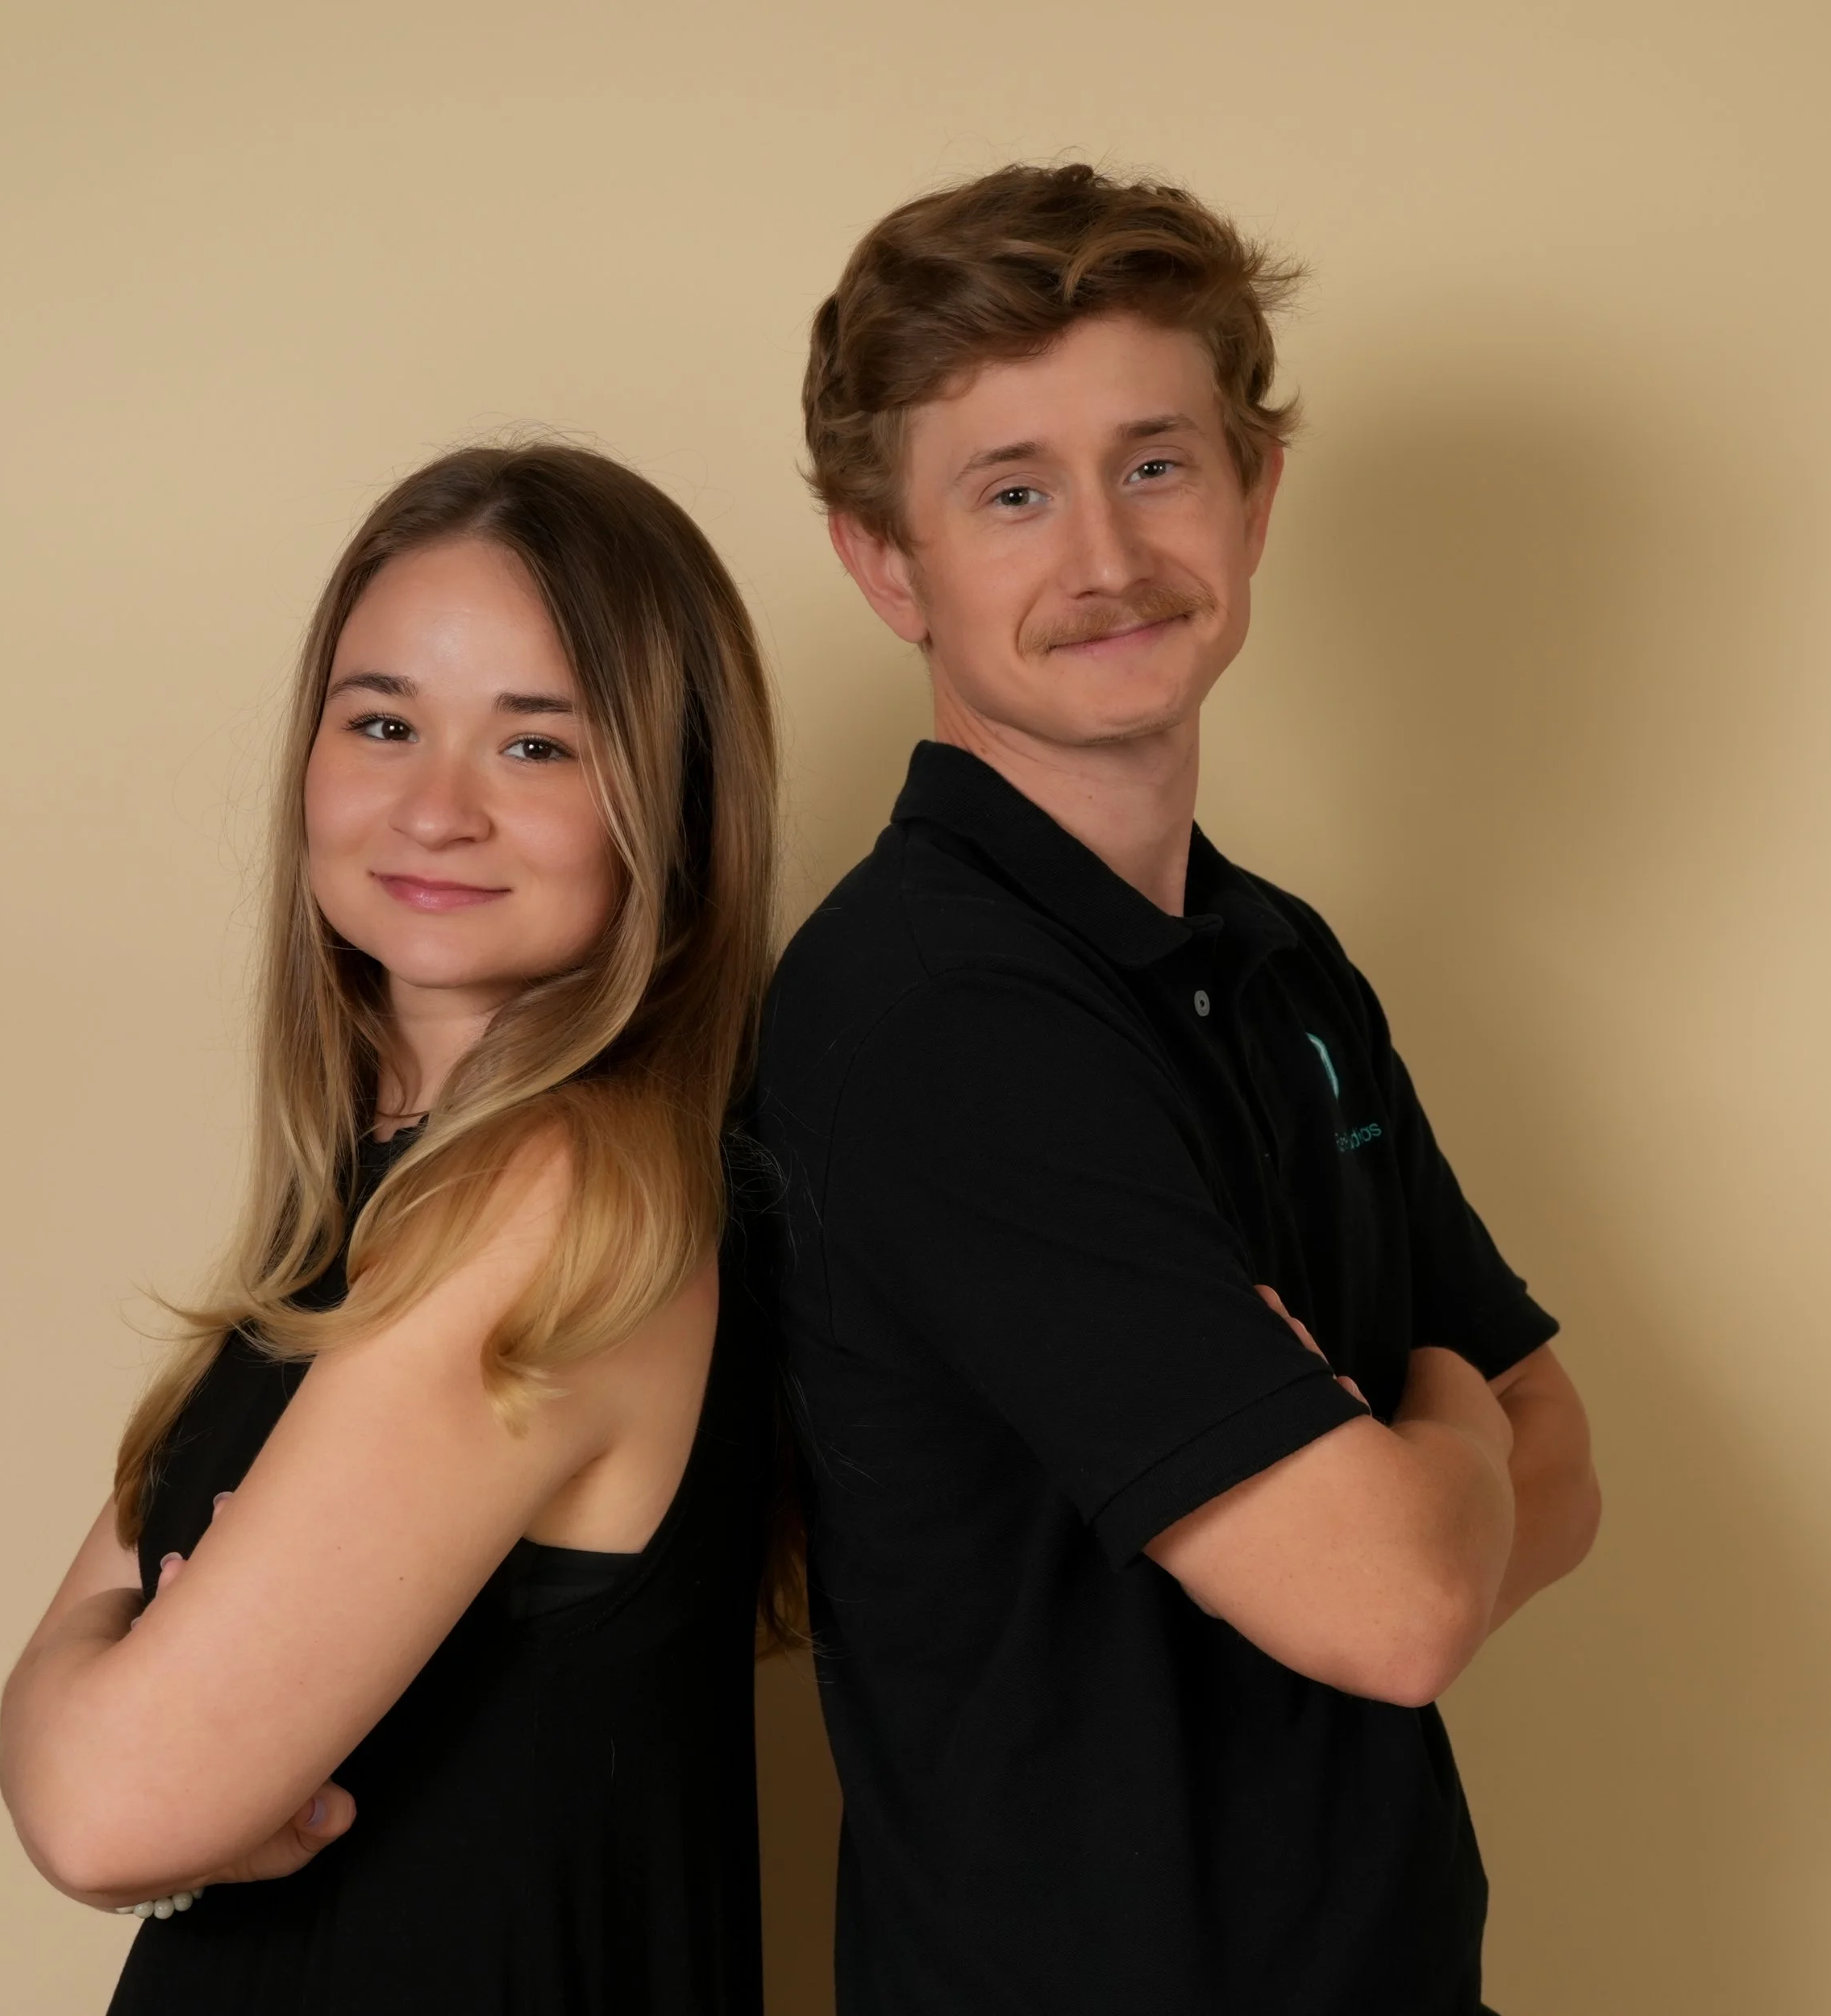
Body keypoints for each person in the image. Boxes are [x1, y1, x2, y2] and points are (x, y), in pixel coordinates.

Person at [754, 163, 1602, 2015]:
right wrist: (1440, 1437)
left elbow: (1569, 1455)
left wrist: (1422, 1473)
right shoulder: (929, 1015)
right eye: (1008, 493)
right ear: (881, 559)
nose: (1106, 560)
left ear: (1253, 490)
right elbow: (1395, 1605)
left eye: (1154, 463)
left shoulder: (1280, 950)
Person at [0, 442, 783, 2014]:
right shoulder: (388, 1188)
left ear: (675, 809)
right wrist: (93, 1692)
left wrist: (111, 1687)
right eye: (380, 723)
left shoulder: (552, 1198)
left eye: (538, 747)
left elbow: (100, 1803)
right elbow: (74, 1722)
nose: (436, 808)